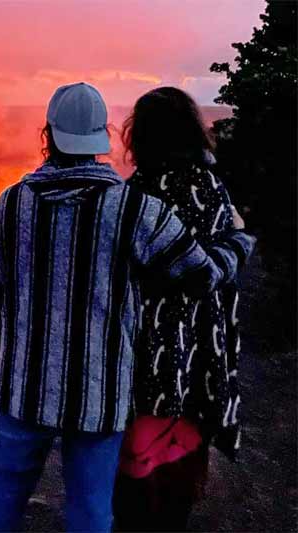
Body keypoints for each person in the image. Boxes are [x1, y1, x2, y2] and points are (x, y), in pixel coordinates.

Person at [0, 82, 255, 532]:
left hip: (21, 389)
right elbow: (201, 275)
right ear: (102, 136)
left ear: (48, 136)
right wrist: (238, 241)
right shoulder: (135, 209)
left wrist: (3, 331)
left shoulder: (10, 203)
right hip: (98, 396)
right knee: (89, 510)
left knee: (3, 495)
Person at [112, 87, 247, 531]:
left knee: (138, 476)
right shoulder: (214, 191)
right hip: (201, 350)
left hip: (147, 351)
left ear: (141, 137)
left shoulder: (136, 197)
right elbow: (224, 262)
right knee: (181, 468)